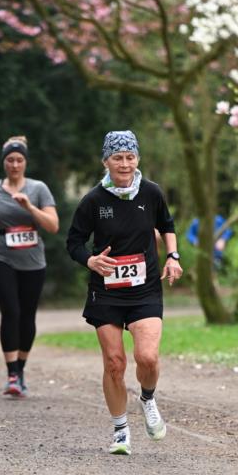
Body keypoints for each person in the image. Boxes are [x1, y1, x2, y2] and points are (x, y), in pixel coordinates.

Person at [66, 130, 183, 456]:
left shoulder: (151, 192)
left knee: (147, 357)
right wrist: (90, 260)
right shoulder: (93, 201)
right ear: (106, 161)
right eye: (118, 158)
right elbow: (73, 242)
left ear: (137, 159)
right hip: (106, 292)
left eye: (130, 157)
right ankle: (120, 431)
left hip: (145, 289)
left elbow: (167, 225)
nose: (125, 164)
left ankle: (147, 398)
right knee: (115, 363)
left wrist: (173, 256)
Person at [0, 136, 58, 397]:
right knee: (11, 310)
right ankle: (11, 374)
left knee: (27, 314)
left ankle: (20, 370)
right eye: (10, 160)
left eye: (19, 160)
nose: (15, 164)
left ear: (25, 163)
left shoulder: (38, 188)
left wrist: (29, 206)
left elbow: (52, 226)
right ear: (4, 162)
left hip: (32, 259)